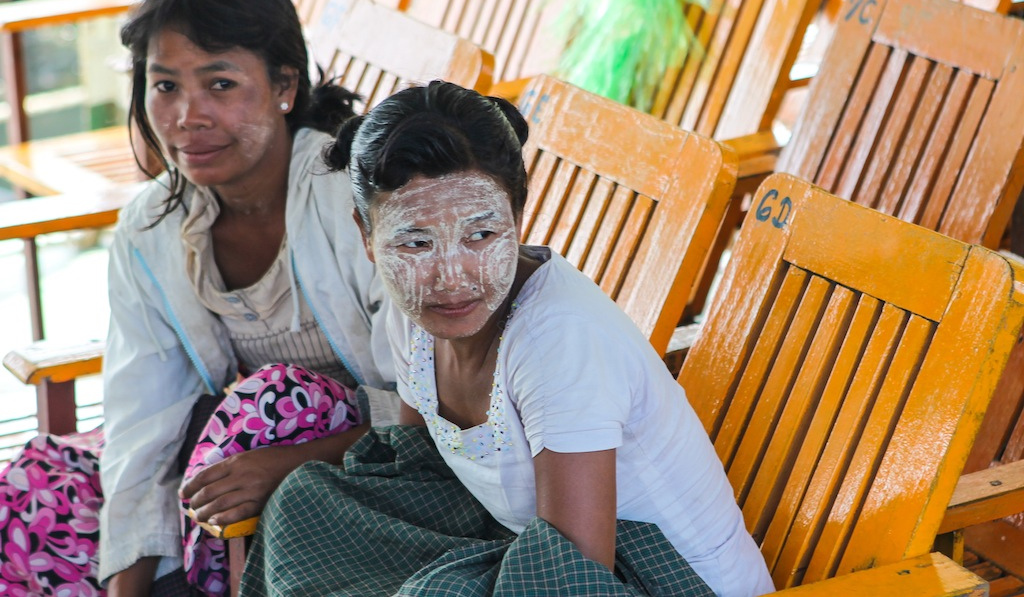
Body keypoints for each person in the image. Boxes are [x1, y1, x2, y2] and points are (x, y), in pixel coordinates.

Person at [239, 81, 775, 596]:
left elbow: (574, 575)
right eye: (415, 241)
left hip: (650, 579)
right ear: (367, 235)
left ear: (518, 217)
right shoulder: (412, 313)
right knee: (307, 504)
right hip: (527, 546)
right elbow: (414, 469)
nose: (451, 277)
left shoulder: (559, 339)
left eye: (481, 234)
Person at [0, 0, 397, 597]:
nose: (187, 117)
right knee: (32, 490)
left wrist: (289, 461)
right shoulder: (153, 228)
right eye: (164, 87)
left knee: (268, 400)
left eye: (219, 85)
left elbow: (445, 396)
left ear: (284, 85)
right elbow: (144, 420)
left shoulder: (354, 201)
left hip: (376, 469)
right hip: (231, 463)